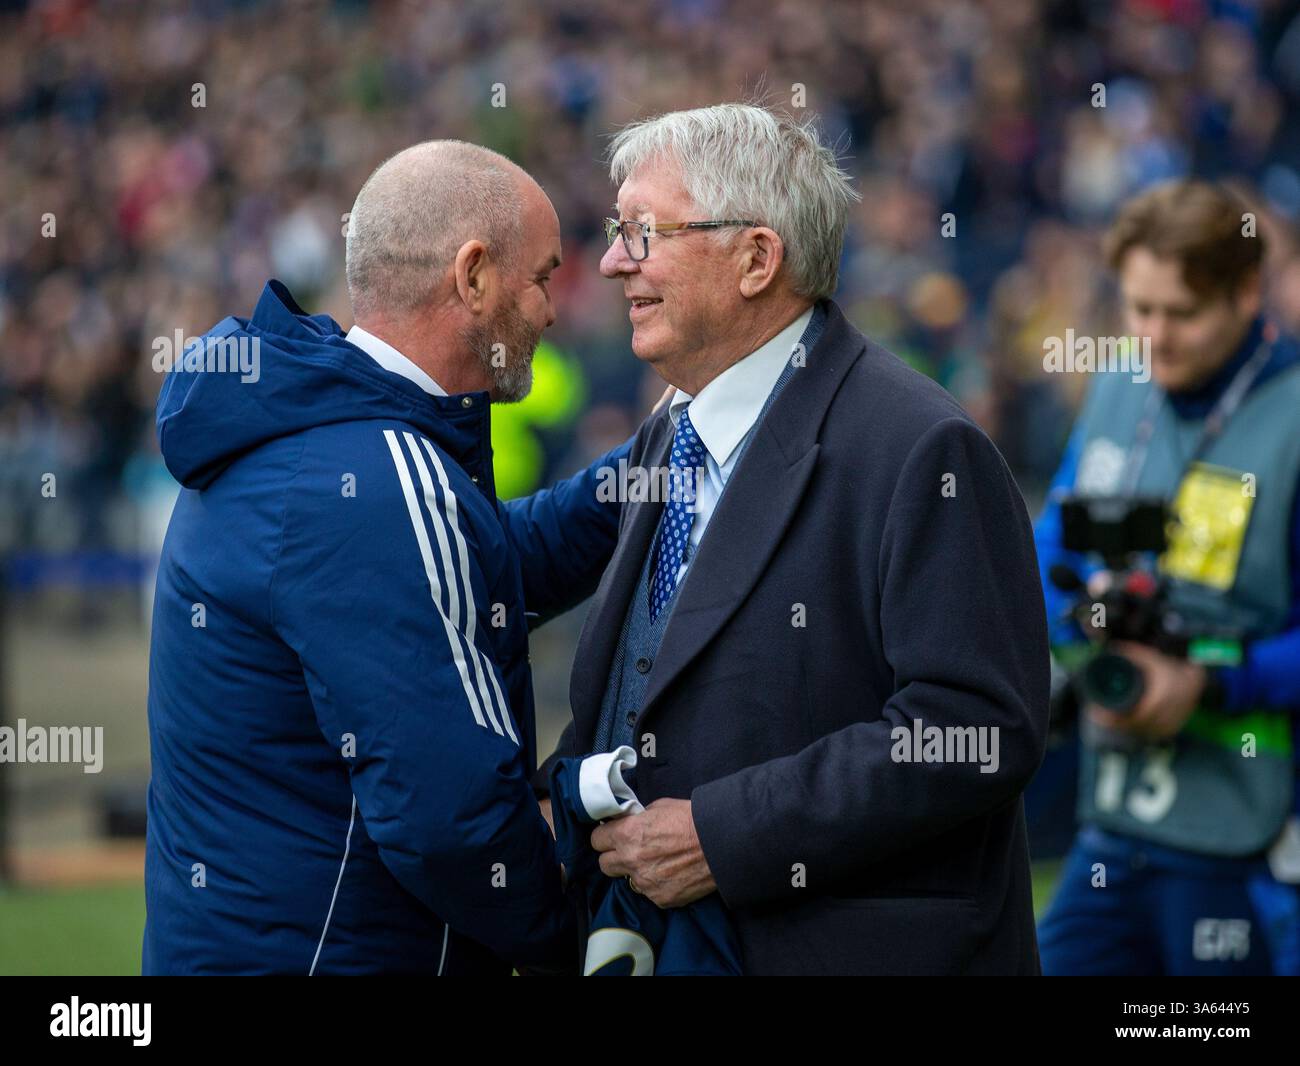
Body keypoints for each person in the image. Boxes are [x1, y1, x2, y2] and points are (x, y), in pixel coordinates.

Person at [535, 103, 1052, 976]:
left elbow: (976, 727)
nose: (615, 260)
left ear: (756, 259)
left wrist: (725, 836)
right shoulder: (671, 433)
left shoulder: (921, 445)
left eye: (642, 232)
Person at [144, 141, 628, 974]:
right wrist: (571, 937)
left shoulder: (314, 434)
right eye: (543, 277)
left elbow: (483, 570)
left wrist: (661, 465)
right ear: (472, 277)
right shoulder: (371, 476)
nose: (552, 309)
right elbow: (451, 819)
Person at [1035, 179, 1300, 975]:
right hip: (1114, 825)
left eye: (1179, 314)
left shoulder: (1290, 415)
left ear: (1246, 292)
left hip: (1254, 843)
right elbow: (1049, 560)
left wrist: (1214, 680)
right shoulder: (1118, 387)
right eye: (1137, 310)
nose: (1153, 337)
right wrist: (1089, 631)